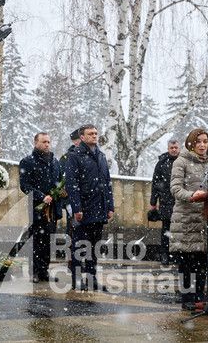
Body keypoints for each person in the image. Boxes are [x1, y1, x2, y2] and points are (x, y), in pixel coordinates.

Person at [170, 128, 208, 310]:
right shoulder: (180, 162)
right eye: (198, 141)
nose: (202, 145)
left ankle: (199, 298)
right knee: (187, 263)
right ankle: (187, 299)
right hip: (186, 219)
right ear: (191, 143)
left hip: (204, 220)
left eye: (205, 141)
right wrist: (192, 195)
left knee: (202, 263)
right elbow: (175, 189)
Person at [65, 124, 114, 291]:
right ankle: (77, 280)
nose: (94, 136)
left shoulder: (100, 155)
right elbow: (72, 184)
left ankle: (92, 279)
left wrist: (110, 206)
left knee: (94, 247)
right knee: (79, 246)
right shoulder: (75, 156)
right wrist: (77, 208)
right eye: (90, 134)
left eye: (95, 133)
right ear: (83, 137)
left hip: (99, 209)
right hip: (83, 210)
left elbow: (107, 182)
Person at [19, 132, 63, 283]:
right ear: (35, 142)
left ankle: (44, 270)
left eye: (48, 142)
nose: (47, 144)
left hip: (52, 208)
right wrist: (41, 196)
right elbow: (25, 186)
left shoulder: (55, 162)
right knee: (36, 240)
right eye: (44, 142)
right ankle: (34, 272)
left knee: (49, 240)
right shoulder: (27, 162)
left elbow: (59, 182)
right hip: (37, 207)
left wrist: (61, 192)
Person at [150, 138, 180, 265]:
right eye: (171, 148)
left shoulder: (183, 161)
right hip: (166, 201)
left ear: (179, 148)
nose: (173, 150)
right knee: (166, 229)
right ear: (168, 149)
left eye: (175, 148)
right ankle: (165, 254)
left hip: (180, 201)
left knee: (179, 230)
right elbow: (155, 183)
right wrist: (153, 202)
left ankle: (178, 255)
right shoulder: (162, 163)